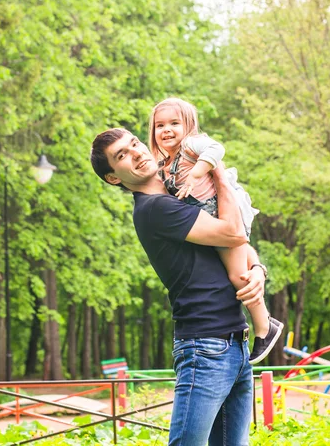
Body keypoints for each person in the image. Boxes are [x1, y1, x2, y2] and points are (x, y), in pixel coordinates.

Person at [91, 127, 267, 445]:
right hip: (206, 346)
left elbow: (234, 244)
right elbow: (234, 233)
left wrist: (256, 269)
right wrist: (220, 175)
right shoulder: (155, 209)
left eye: (134, 144)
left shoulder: (178, 191)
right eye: (121, 156)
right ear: (114, 177)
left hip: (235, 344)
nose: (135, 152)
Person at [148, 98, 283, 364]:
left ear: (189, 126)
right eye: (159, 125)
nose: (167, 130)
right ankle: (264, 323)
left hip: (225, 215)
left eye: (175, 123)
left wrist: (198, 173)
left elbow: (216, 148)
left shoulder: (191, 146)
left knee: (236, 274)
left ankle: (265, 326)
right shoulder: (166, 164)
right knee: (239, 270)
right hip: (213, 223)